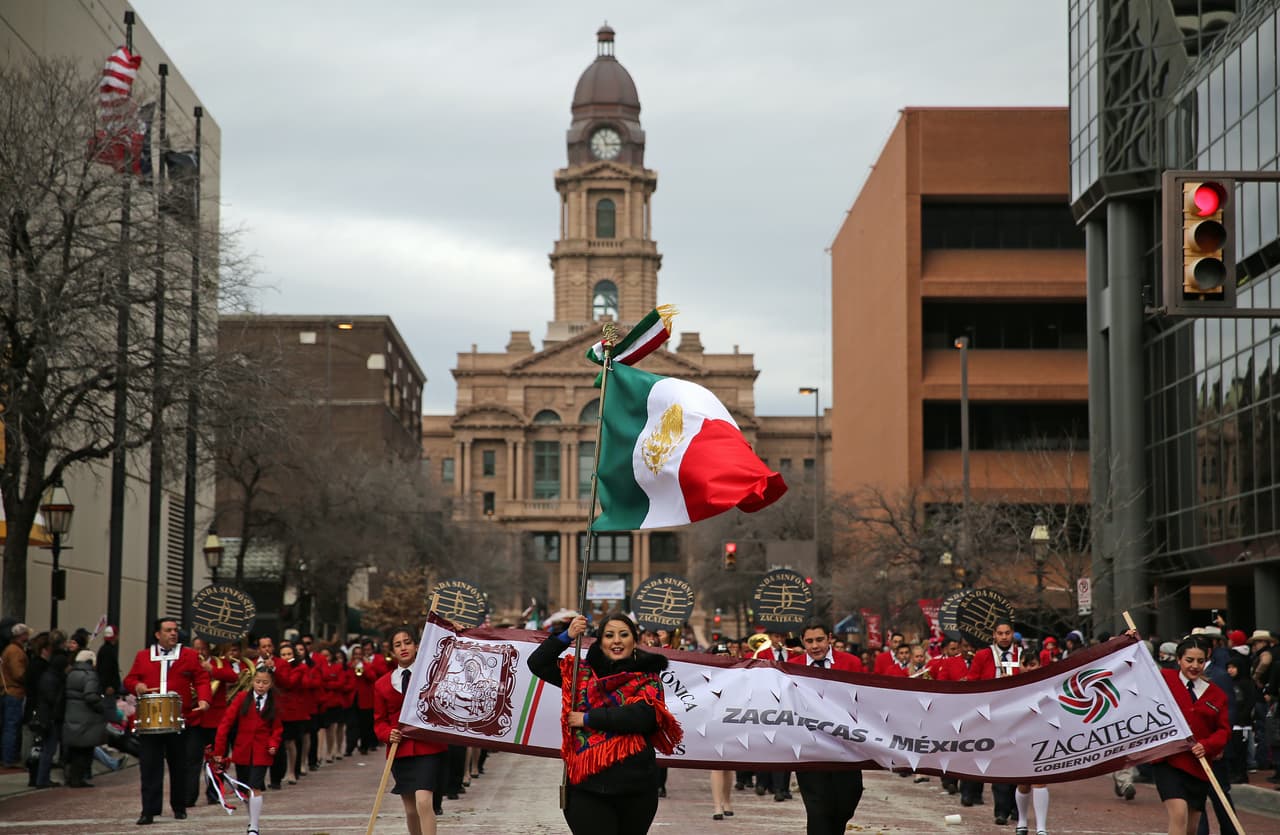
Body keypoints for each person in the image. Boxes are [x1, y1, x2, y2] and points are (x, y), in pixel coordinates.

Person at [528, 612, 682, 835]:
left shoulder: (648, 677)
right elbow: (537, 663)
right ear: (600, 642)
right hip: (587, 787)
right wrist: (567, 635)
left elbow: (643, 717)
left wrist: (589, 718)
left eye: (623, 634)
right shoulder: (579, 675)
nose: (616, 640)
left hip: (636, 788)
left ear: (634, 640)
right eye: (609, 635)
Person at [123, 617, 212, 826]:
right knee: (150, 767)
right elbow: (129, 679)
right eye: (168, 630)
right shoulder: (143, 656)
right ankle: (149, 810)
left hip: (180, 719)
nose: (173, 633)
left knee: (179, 766)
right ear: (158, 634)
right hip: (150, 720)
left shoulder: (189, 655)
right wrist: (137, 686)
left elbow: (201, 679)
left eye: (175, 630)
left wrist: (204, 699)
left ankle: (179, 806)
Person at [786, 620, 864, 835]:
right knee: (817, 808)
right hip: (810, 749)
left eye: (819, 639)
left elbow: (865, 700)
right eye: (809, 641)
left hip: (846, 749)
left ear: (830, 638)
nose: (815, 646)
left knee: (846, 801)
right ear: (802, 642)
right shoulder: (792, 667)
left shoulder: (852, 663)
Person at [374, 626, 448, 835]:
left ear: (416, 646)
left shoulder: (431, 675)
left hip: (429, 748)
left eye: (407, 642)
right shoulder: (381, 684)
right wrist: (387, 733)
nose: (403, 648)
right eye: (397, 645)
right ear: (391, 652)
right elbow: (378, 721)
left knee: (424, 802)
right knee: (410, 809)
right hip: (400, 751)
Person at [1156, 638, 1230, 835]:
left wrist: (1207, 745)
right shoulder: (1164, 679)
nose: (1195, 666)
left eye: (1200, 661)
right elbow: (1136, 671)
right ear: (1179, 659)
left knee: (1191, 828)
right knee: (1178, 815)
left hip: (1199, 766)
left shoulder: (1217, 695)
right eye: (1189, 660)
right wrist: (1129, 642)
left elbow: (1223, 730)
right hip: (1168, 761)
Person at [964, 619, 1021, 823]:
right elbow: (972, 683)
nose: (1004, 636)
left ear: (1012, 633)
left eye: (1007, 633)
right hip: (992, 716)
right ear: (994, 635)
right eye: (1000, 633)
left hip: (1019, 715)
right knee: (999, 762)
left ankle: (1017, 808)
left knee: (1019, 763)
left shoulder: (1021, 654)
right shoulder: (984, 655)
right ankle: (1001, 811)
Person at [215, 668, 281, 835]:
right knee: (244, 789)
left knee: (255, 787)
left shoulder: (274, 702)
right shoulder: (242, 698)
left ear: (271, 684)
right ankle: (251, 820)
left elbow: (277, 728)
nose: (261, 685)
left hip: (262, 751)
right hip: (243, 750)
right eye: (258, 682)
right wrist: (219, 750)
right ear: (253, 681)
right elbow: (226, 723)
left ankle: (254, 826)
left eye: (265, 682)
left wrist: (273, 743)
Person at [1013, 652, 1050, 835]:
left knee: (1040, 780)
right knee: (1023, 782)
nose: (1029, 668)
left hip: (1041, 735)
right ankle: (1022, 822)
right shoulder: (1011, 684)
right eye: (1025, 664)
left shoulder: (1048, 683)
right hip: (1018, 737)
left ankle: (1041, 828)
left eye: (1033, 664)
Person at [0, 623, 29, 767]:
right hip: (14, 692)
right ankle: (9, 758)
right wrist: (29, 677)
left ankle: (7, 756)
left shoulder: (10, 650)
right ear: (21, 635)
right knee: (11, 726)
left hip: (8, 691)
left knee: (8, 725)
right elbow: (19, 673)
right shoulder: (15, 652)